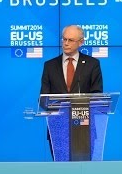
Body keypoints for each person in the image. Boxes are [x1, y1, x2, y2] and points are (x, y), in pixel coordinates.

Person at [40, 25, 103, 159]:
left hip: (83, 127)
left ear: (81, 42)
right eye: (64, 39)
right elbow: (43, 98)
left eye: (70, 40)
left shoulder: (92, 64)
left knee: (84, 171)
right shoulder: (50, 66)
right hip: (57, 128)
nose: (66, 43)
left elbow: (97, 96)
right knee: (62, 172)